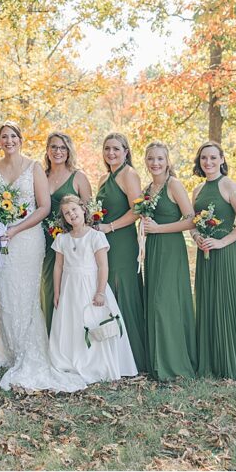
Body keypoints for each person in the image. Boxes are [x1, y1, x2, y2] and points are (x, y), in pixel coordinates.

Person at [0, 122, 85, 392]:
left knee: (27, 294)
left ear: (21, 139)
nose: (9, 141)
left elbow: (43, 208)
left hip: (28, 239)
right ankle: (10, 350)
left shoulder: (34, 169)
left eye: (13, 136)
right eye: (4, 137)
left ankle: (28, 352)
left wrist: (16, 228)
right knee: (5, 292)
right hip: (2, 240)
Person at [48, 195, 137, 384]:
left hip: (91, 286)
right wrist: (57, 292)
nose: (71, 214)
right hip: (69, 287)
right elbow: (58, 267)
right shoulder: (62, 239)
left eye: (74, 209)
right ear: (64, 218)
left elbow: (103, 266)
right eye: (66, 213)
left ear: (83, 209)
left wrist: (100, 291)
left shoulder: (96, 236)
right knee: (71, 323)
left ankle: (97, 363)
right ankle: (70, 360)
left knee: (92, 321)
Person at [190, 141, 236, 379]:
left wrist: (222, 242)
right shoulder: (197, 190)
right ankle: (212, 361)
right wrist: (196, 236)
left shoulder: (228, 185)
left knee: (227, 303)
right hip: (205, 252)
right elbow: (193, 222)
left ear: (222, 159)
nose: (208, 162)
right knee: (209, 303)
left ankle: (231, 361)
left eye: (213, 158)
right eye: (204, 158)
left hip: (226, 252)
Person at [140, 142, 197, 380]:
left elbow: (192, 219)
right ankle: (157, 363)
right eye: (151, 159)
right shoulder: (147, 189)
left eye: (160, 159)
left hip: (171, 248)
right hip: (153, 250)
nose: (155, 163)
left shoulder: (173, 185)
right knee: (154, 302)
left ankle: (175, 365)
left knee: (166, 303)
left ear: (167, 161)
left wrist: (160, 228)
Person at [94, 133, 148, 373]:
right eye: (107, 149)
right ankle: (112, 354)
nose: (111, 153)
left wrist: (110, 227)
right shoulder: (104, 179)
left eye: (116, 149)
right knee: (109, 292)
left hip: (123, 241)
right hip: (104, 243)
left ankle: (133, 357)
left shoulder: (129, 174)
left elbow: (137, 211)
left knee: (124, 290)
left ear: (126, 151)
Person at [41, 132, 92, 333]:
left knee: (72, 291)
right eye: (53, 147)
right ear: (47, 150)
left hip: (73, 242)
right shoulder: (41, 175)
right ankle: (49, 337)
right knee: (48, 288)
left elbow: (89, 212)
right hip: (45, 240)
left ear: (69, 151)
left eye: (62, 147)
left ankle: (72, 341)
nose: (58, 151)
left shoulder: (78, 177)